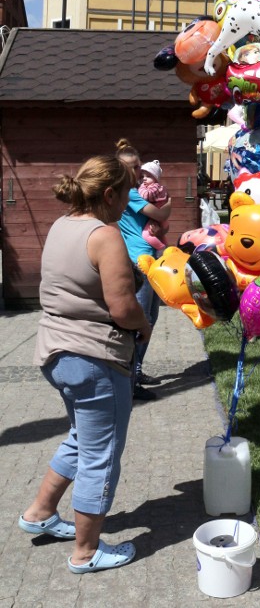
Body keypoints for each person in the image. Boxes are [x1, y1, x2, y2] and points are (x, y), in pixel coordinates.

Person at [19, 155, 151, 573]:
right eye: (127, 193)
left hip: (56, 356)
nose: (128, 202)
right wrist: (144, 327)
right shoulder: (105, 235)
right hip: (94, 361)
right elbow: (123, 307)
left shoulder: (62, 224)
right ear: (110, 194)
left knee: (81, 439)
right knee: (102, 455)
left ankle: (39, 512)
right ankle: (86, 551)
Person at [115, 139, 172, 400]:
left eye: (138, 165)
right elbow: (160, 215)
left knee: (151, 316)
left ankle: (135, 371)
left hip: (149, 256)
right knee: (142, 320)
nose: (137, 170)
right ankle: (129, 380)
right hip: (140, 260)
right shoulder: (129, 193)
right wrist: (168, 202)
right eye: (131, 166)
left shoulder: (136, 190)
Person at [138, 160, 170, 251]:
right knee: (160, 235)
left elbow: (145, 196)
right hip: (159, 218)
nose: (144, 178)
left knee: (146, 234)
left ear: (156, 178)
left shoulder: (155, 187)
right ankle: (167, 249)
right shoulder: (153, 186)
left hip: (157, 217)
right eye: (142, 176)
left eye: (148, 176)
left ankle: (162, 249)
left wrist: (141, 188)